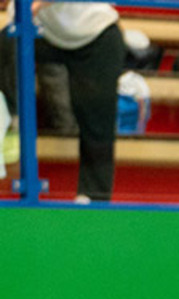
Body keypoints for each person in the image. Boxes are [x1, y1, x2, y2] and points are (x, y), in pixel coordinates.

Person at [0, 0, 124, 201]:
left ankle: (93, 198)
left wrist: (37, 4)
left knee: (97, 124)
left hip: (95, 34)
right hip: (45, 34)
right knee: (7, 40)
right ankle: (11, 120)